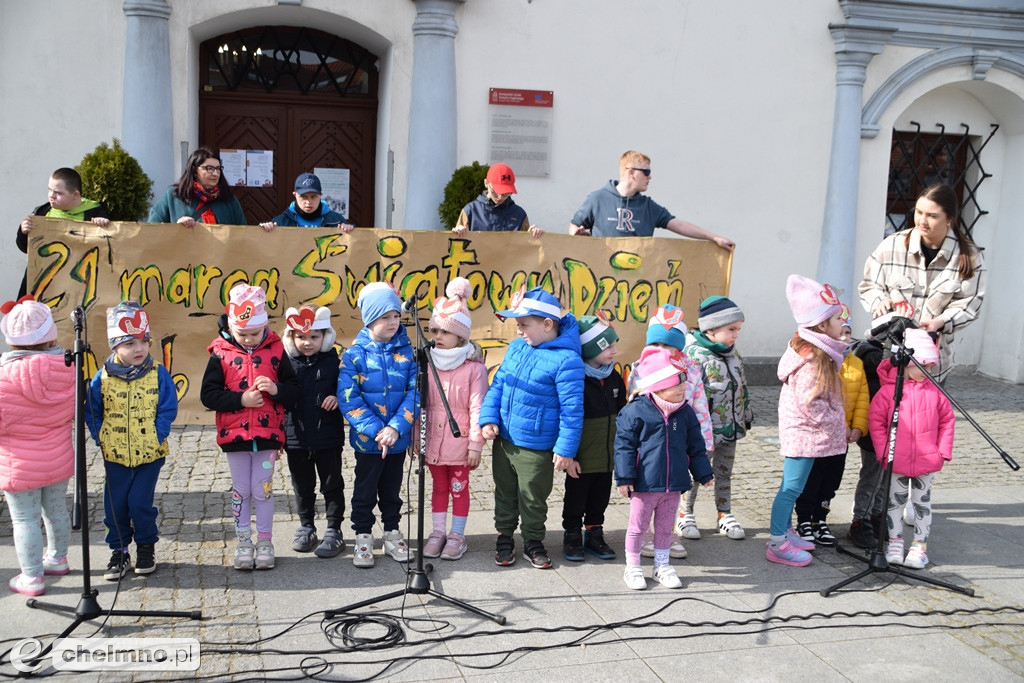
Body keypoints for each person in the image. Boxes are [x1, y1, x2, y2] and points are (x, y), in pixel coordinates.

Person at [479, 287, 584, 570]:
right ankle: (504, 536)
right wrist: (488, 419)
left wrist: (565, 449)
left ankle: (534, 540)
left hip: (537, 446)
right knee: (505, 492)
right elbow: (498, 385)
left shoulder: (567, 360)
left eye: (524, 325)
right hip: (505, 441)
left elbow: (572, 410)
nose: (520, 331)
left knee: (533, 497)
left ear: (547, 324)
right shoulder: (516, 348)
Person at [200, 283, 298, 571]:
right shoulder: (219, 353)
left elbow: (295, 391)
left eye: (255, 334)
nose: (250, 340)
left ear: (265, 327)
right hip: (235, 439)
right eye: (242, 334)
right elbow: (208, 395)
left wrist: (276, 389)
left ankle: (265, 541)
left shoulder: (277, 350)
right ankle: (244, 541)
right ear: (231, 328)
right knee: (241, 490)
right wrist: (240, 399)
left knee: (263, 489)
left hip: (268, 439)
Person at [85, 301, 178, 579]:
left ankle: (146, 546)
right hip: (115, 455)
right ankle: (120, 551)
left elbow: (168, 406)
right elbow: (93, 410)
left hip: (150, 454)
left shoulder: (158, 373)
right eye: (129, 344)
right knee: (116, 506)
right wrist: (101, 436)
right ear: (115, 346)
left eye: (143, 341)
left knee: (139, 503)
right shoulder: (101, 378)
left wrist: (157, 432)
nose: (138, 349)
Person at [859, 183, 986, 384]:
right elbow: (869, 285)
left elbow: (970, 304)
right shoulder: (892, 244)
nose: (922, 221)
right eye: (919, 212)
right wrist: (879, 301)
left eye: (932, 216)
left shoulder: (969, 256)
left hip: (931, 363)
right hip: (889, 356)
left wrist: (941, 322)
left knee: (923, 415)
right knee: (882, 414)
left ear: (949, 219)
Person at [615, 347, 713, 590]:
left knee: (664, 529)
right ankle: (633, 567)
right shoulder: (635, 411)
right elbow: (624, 447)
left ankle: (662, 564)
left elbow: (696, 446)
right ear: (656, 386)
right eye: (675, 384)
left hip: (674, 484)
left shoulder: (686, 412)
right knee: (637, 527)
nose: (683, 388)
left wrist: (703, 472)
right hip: (644, 484)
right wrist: (625, 477)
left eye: (683, 382)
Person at [766, 274, 847, 567]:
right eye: (838, 318)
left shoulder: (819, 353)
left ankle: (786, 531)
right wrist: (835, 423)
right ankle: (777, 542)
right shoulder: (812, 360)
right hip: (804, 433)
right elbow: (810, 402)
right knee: (791, 488)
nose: (843, 323)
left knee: (793, 486)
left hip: (807, 433)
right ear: (822, 324)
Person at [337, 282, 417, 568]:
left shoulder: (408, 353)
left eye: (396, 315)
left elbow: (414, 393)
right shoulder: (354, 355)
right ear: (370, 319)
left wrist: (395, 428)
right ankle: (363, 535)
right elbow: (349, 400)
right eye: (385, 317)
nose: (393, 322)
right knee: (365, 489)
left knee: (392, 489)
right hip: (369, 442)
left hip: (396, 440)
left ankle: (393, 533)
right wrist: (376, 431)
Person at [0, 297, 75, 596]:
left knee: (24, 519)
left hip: (19, 464)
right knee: (56, 511)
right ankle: (57, 558)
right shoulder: (68, 368)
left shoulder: (3, 377)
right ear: (50, 335)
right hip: (57, 458)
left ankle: (31, 577)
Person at [626, 304, 713, 559]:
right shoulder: (640, 367)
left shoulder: (691, 370)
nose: (662, 351)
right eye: (657, 345)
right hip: (650, 443)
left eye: (669, 346)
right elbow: (632, 406)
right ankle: (642, 537)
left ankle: (666, 534)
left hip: (678, 439)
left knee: (671, 491)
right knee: (647, 491)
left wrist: (704, 440)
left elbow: (700, 406)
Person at [868, 328, 955, 569]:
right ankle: (895, 542)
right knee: (894, 503)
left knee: (921, 503)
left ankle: (919, 546)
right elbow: (876, 423)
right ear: (906, 363)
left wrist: (942, 450)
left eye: (930, 367)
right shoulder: (888, 392)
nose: (926, 372)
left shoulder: (935, 393)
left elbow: (948, 420)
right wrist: (883, 451)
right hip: (897, 460)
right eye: (922, 366)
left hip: (927, 462)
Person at [419, 278, 489, 561]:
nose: (437, 336)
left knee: (459, 488)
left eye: (444, 331)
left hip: (460, 445)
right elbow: (420, 405)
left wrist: (475, 444)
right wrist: (417, 438)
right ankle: (438, 532)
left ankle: (457, 535)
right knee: (438, 488)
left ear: (461, 336)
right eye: (434, 330)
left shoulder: (474, 369)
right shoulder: (427, 362)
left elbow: (477, 408)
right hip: (435, 443)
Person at [792, 305, 865, 548]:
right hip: (820, 436)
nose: (844, 338)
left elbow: (863, 397)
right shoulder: (824, 361)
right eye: (840, 332)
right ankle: (804, 519)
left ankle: (820, 518)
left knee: (831, 480)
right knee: (812, 478)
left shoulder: (856, 364)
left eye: (848, 333)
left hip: (842, 437)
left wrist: (858, 426)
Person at [681, 296, 753, 541]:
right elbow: (687, 396)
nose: (736, 335)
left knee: (724, 473)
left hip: (730, 429)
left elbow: (742, 387)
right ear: (710, 329)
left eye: (738, 330)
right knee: (694, 474)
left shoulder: (734, 356)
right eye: (731, 329)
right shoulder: (693, 356)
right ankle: (684, 514)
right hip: (702, 433)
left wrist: (747, 415)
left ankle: (724, 513)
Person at [281, 305, 347, 559]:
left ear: (325, 337)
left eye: (314, 337)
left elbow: (347, 387)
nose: (307, 343)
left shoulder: (334, 361)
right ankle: (306, 526)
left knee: (331, 484)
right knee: (302, 485)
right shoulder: (285, 363)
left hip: (327, 436)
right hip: (295, 436)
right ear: (291, 338)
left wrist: (337, 397)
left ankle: (334, 529)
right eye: (301, 337)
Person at [568, 150, 734, 249]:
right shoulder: (597, 199)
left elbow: (679, 225)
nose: (650, 177)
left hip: (637, 282)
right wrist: (577, 234)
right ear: (631, 172)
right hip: (602, 278)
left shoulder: (648, 206)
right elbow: (574, 225)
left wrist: (714, 237)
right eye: (646, 172)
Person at [561, 314, 625, 563]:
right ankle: (572, 534)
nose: (614, 351)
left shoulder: (614, 377)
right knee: (576, 498)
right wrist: (571, 456)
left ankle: (594, 533)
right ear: (590, 349)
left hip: (607, 457)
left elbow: (623, 415)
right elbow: (568, 419)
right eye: (607, 346)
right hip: (582, 458)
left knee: (600, 497)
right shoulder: (576, 378)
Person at [16, 167, 111, 297]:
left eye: (58, 193)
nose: (51, 196)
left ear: (75, 195)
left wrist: (104, 225)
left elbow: (107, 252)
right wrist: (23, 231)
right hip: (43, 283)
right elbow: (26, 248)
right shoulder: (41, 213)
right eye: (49, 190)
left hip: (77, 285)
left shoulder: (93, 214)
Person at [846, 334, 887, 550]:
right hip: (875, 431)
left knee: (884, 478)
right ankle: (860, 521)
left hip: (890, 430)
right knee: (872, 477)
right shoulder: (872, 357)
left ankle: (876, 515)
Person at [149, 146, 246, 227]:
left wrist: (260, 231)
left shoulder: (229, 199)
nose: (216, 173)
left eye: (218, 168)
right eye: (209, 168)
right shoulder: (174, 196)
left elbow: (243, 235)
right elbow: (153, 230)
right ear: (194, 170)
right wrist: (176, 227)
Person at [451, 163, 543, 237]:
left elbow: (526, 250)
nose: (500, 197)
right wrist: (458, 231)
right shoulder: (470, 211)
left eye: (506, 193)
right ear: (486, 183)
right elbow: (456, 246)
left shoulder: (519, 214)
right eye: (496, 191)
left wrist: (534, 235)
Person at [258, 173, 356, 233]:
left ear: (321, 195)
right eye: (303, 197)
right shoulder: (281, 221)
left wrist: (349, 230)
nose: (308, 202)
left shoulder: (337, 221)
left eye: (313, 196)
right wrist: (263, 230)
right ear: (295, 195)